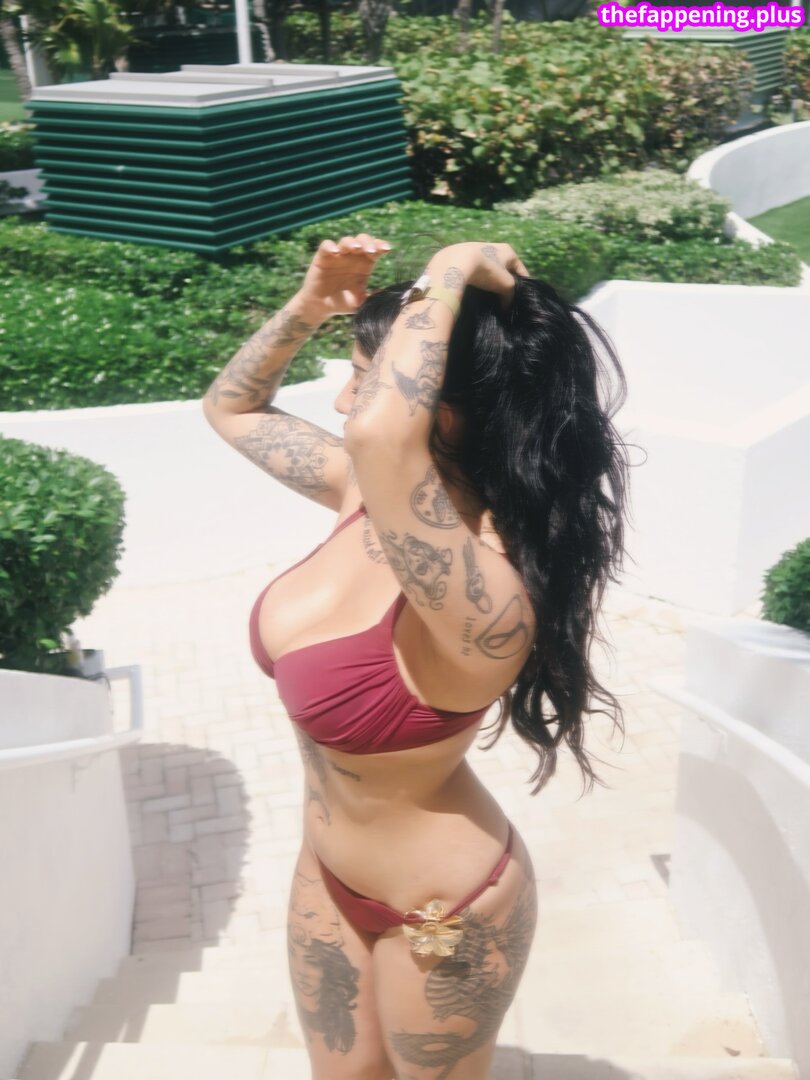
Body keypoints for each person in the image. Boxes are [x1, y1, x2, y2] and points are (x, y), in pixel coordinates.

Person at [202, 233, 629, 1080]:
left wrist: (453, 266)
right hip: (326, 871)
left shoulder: (490, 601)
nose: (343, 401)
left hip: (447, 908)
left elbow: (377, 437)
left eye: (362, 379)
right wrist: (311, 305)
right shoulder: (362, 495)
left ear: (442, 412)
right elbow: (233, 408)